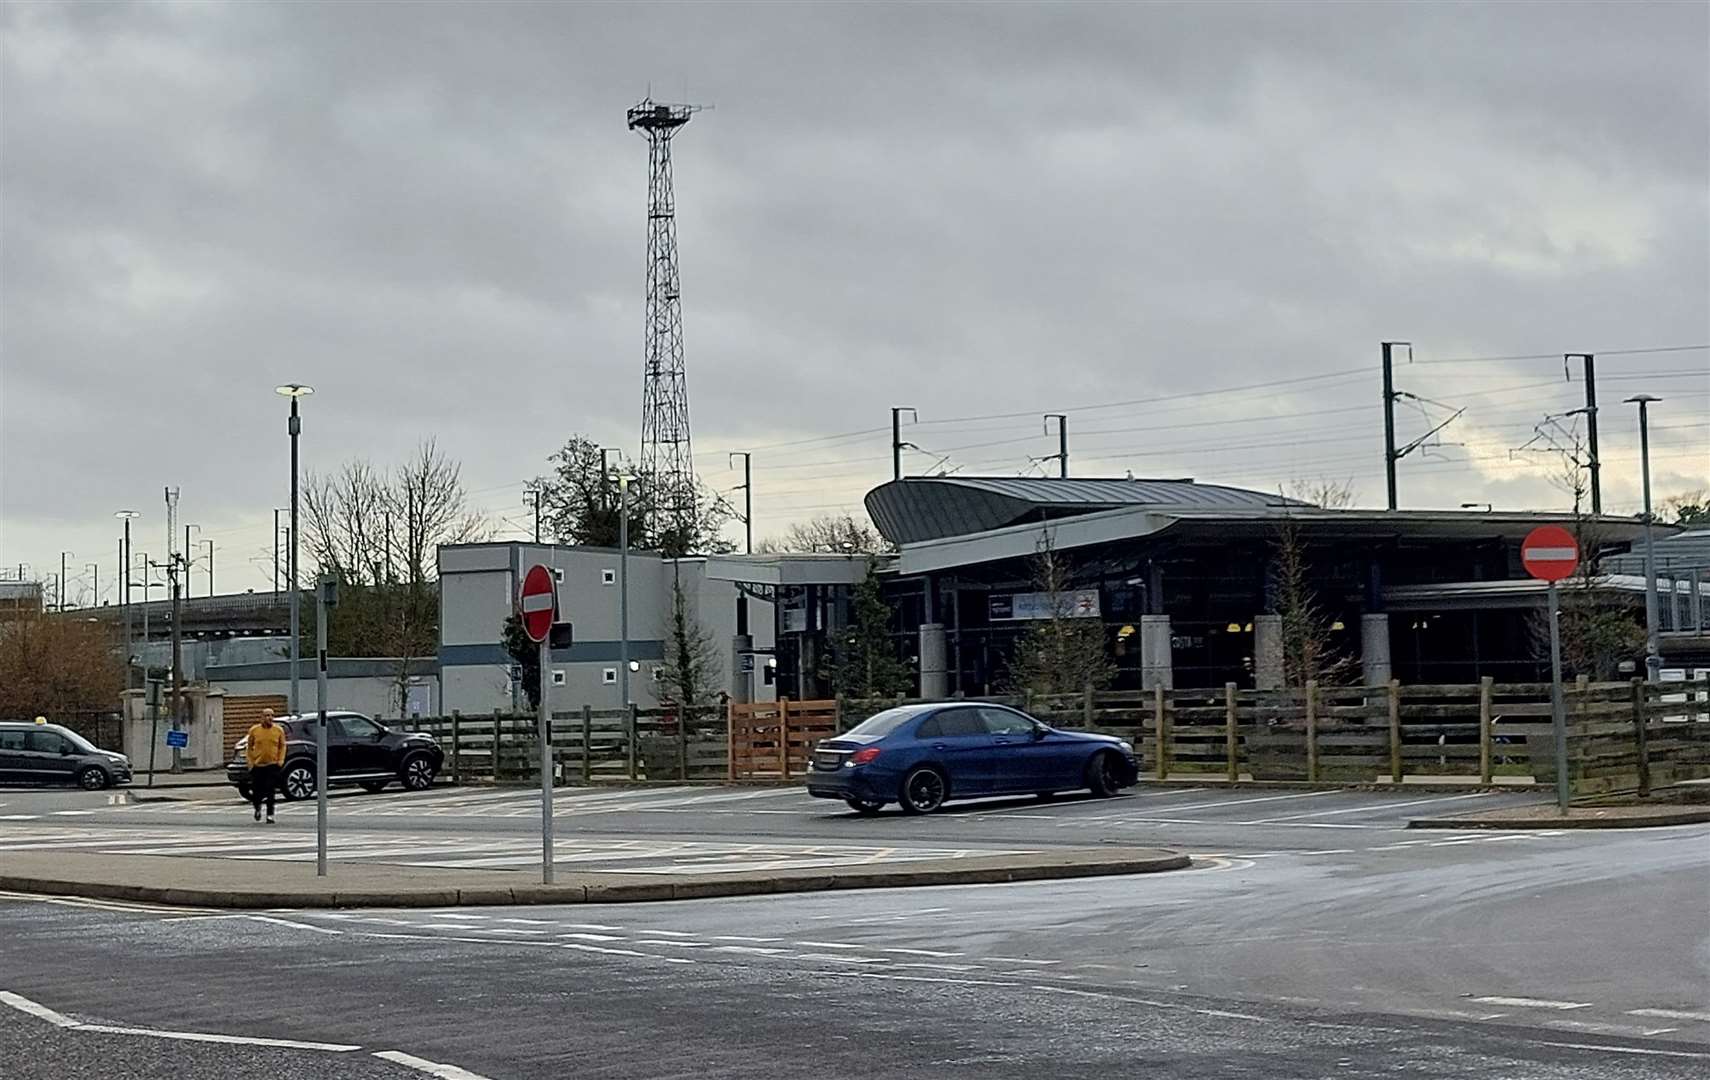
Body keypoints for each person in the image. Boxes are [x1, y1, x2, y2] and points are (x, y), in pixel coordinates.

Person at [245, 710, 287, 823]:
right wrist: (250, 763)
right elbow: (249, 747)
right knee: (257, 791)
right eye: (267, 715)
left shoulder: (278, 730)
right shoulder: (254, 730)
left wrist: (280, 760)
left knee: (270, 790)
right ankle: (257, 807)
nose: (270, 718)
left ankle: (270, 814)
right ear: (262, 717)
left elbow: (282, 746)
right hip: (258, 765)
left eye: (272, 715)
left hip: (272, 765)